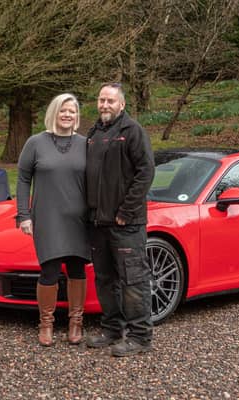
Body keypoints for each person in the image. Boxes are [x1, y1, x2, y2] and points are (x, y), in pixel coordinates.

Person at [85, 83, 155, 357]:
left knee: (133, 280)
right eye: (101, 100)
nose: (104, 105)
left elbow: (145, 172)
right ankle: (112, 329)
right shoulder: (93, 133)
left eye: (110, 101)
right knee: (105, 279)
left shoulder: (132, 131)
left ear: (122, 105)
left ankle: (140, 337)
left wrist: (126, 211)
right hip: (98, 224)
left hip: (127, 224)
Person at [16, 93, 91, 347]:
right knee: (49, 269)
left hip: (79, 218)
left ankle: (75, 323)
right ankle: (46, 324)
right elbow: (23, 179)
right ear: (54, 113)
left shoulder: (86, 144)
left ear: (77, 116)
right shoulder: (35, 142)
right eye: (63, 110)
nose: (67, 115)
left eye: (72, 111)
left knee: (77, 269)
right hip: (47, 216)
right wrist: (23, 215)